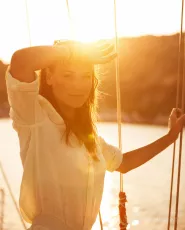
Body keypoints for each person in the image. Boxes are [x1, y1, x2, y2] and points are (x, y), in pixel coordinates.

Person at [5, 40, 185, 230]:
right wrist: (71, 52)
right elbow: (20, 62)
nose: (78, 85)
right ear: (49, 77)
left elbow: (123, 163)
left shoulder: (89, 138)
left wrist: (170, 137)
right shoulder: (34, 115)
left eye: (86, 76)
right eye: (68, 75)